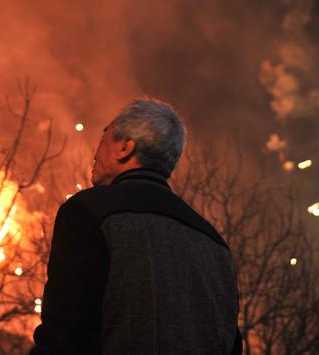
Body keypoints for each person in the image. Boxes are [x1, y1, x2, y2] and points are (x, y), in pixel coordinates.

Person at [31, 99, 241, 354]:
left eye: (104, 135)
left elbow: (65, 334)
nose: (95, 153)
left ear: (125, 148)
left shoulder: (89, 212)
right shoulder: (216, 245)